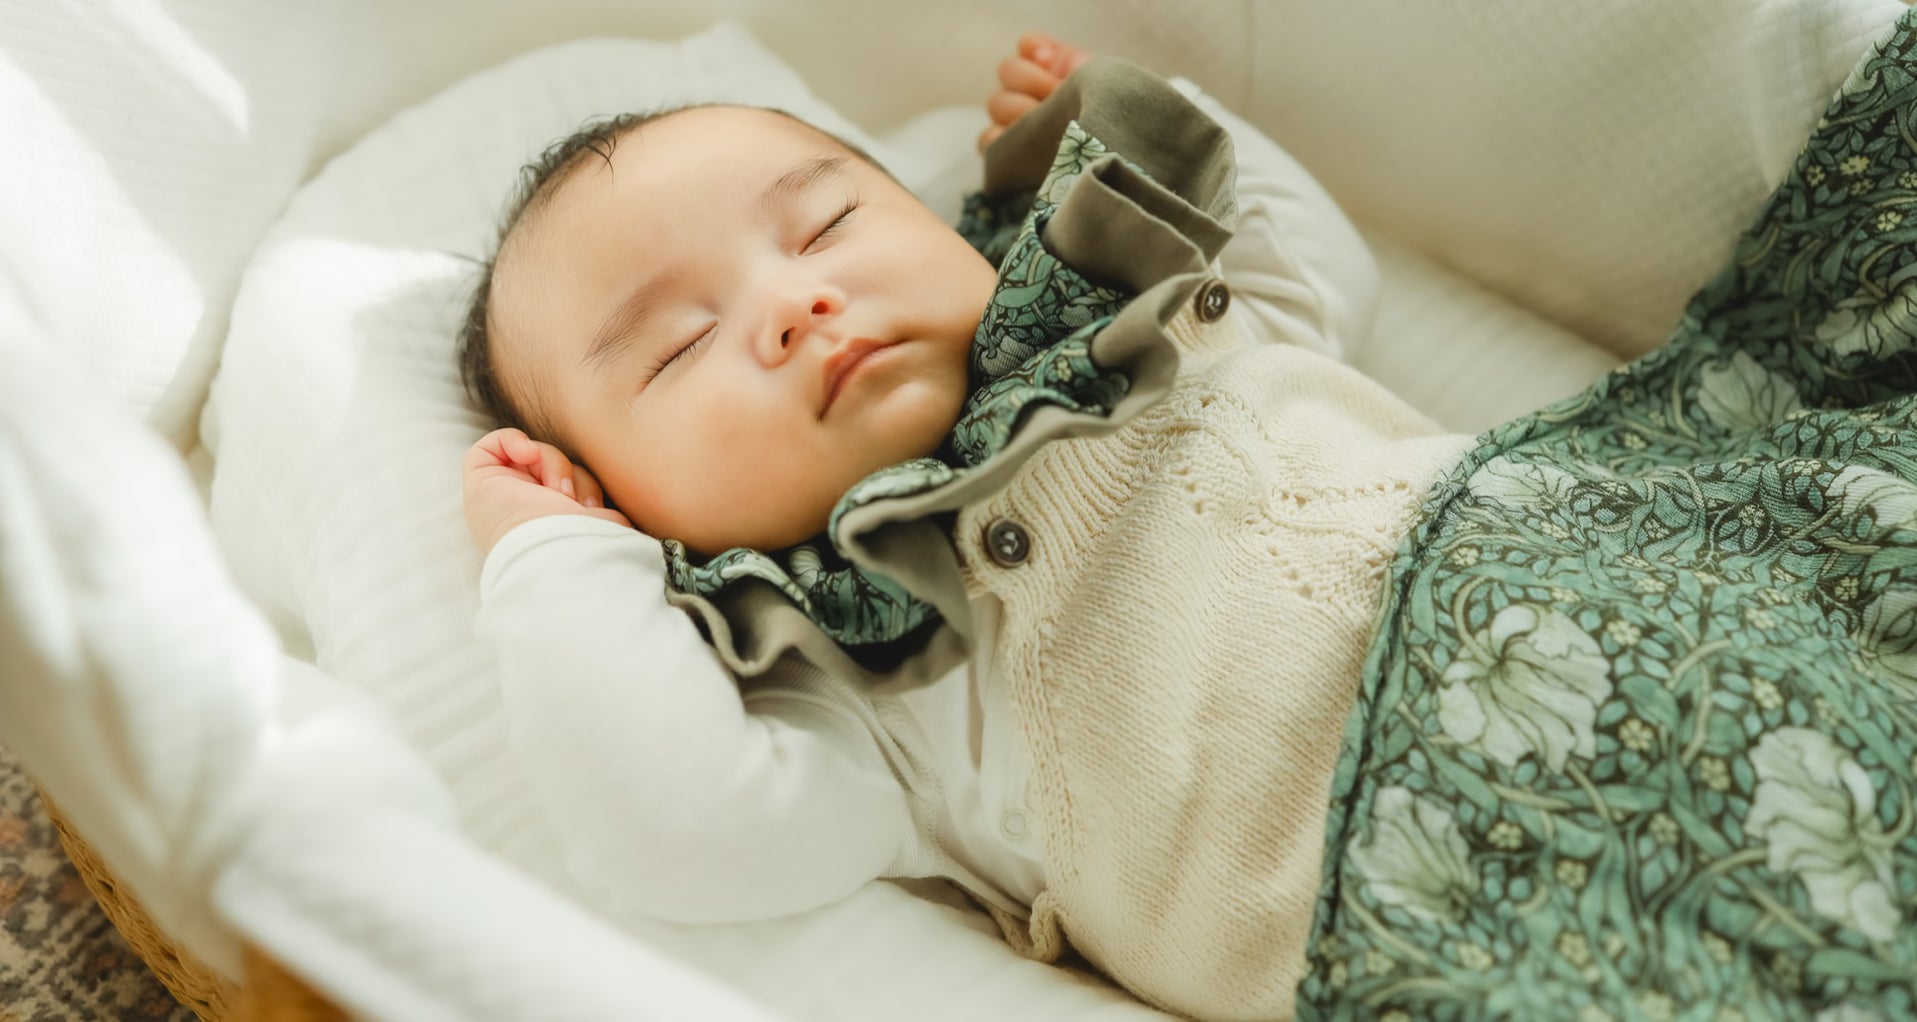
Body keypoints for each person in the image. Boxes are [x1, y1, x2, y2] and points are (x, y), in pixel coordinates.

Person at [458, 31, 1437, 1021]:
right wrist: (557, 558)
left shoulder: (1134, 320)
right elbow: (686, 826)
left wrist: (1112, 120)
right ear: (623, 502)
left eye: (826, 225)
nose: (796, 303)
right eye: (682, 345)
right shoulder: (867, 683)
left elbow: (1324, 272)